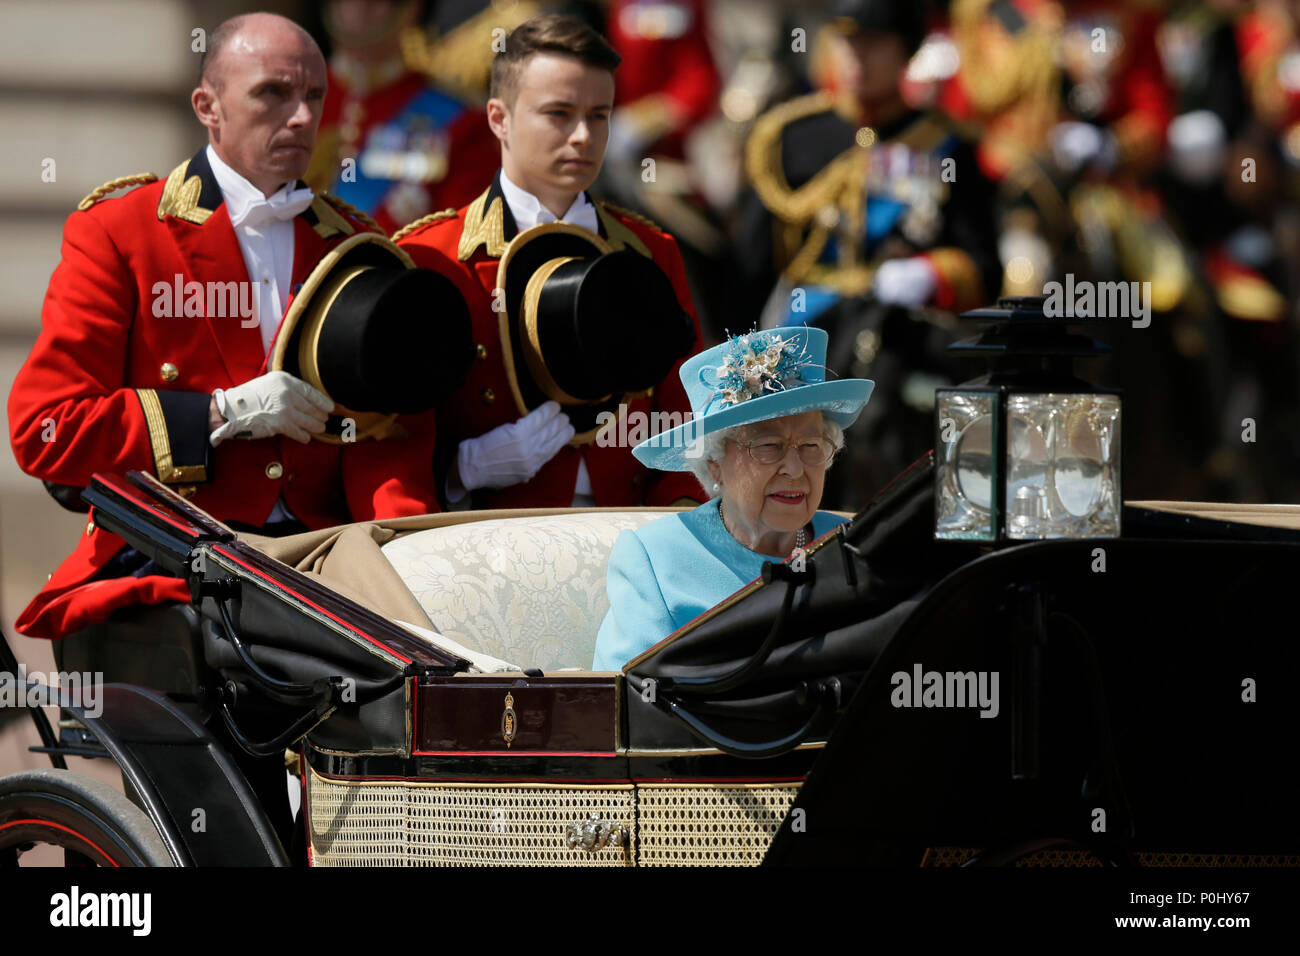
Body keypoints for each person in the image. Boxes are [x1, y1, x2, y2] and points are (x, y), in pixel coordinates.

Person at [7, 12, 442, 641]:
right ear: (207, 106)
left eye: (313, 96)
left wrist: (407, 556)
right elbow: (46, 428)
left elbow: (387, 434)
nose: (300, 117)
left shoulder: (355, 244)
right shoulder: (122, 232)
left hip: (325, 561)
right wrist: (217, 414)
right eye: (272, 93)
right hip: (173, 553)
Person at [395, 13, 705, 509]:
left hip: (632, 541)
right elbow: (392, 448)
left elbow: (686, 428)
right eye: (559, 114)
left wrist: (677, 529)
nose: (583, 135)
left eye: (599, 115)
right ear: (499, 118)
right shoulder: (432, 256)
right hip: (483, 546)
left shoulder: (649, 250)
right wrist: (462, 468)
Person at [592, 326, 874, 670]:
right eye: (768, 446)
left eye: (811, 446)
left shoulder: (858, 547)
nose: (794, 468)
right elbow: (621, 701)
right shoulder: (655, 559)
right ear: (714, 466)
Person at [304, 0, 498, 233]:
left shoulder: (460, 120)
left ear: (410, 8)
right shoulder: (290, 99)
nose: (359, 6)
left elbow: (469, 235)